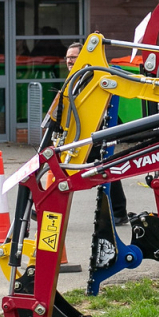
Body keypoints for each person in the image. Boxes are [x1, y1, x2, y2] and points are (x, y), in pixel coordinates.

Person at [63, 41, 132, 224]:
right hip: (85, 133)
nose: (70, 61)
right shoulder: (77, 77)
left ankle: (118, 212)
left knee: (98, 168)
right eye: (68, 57)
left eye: (73, 57)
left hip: (97, 131)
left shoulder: (91, 76)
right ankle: (119, 212)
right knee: (103, 169)